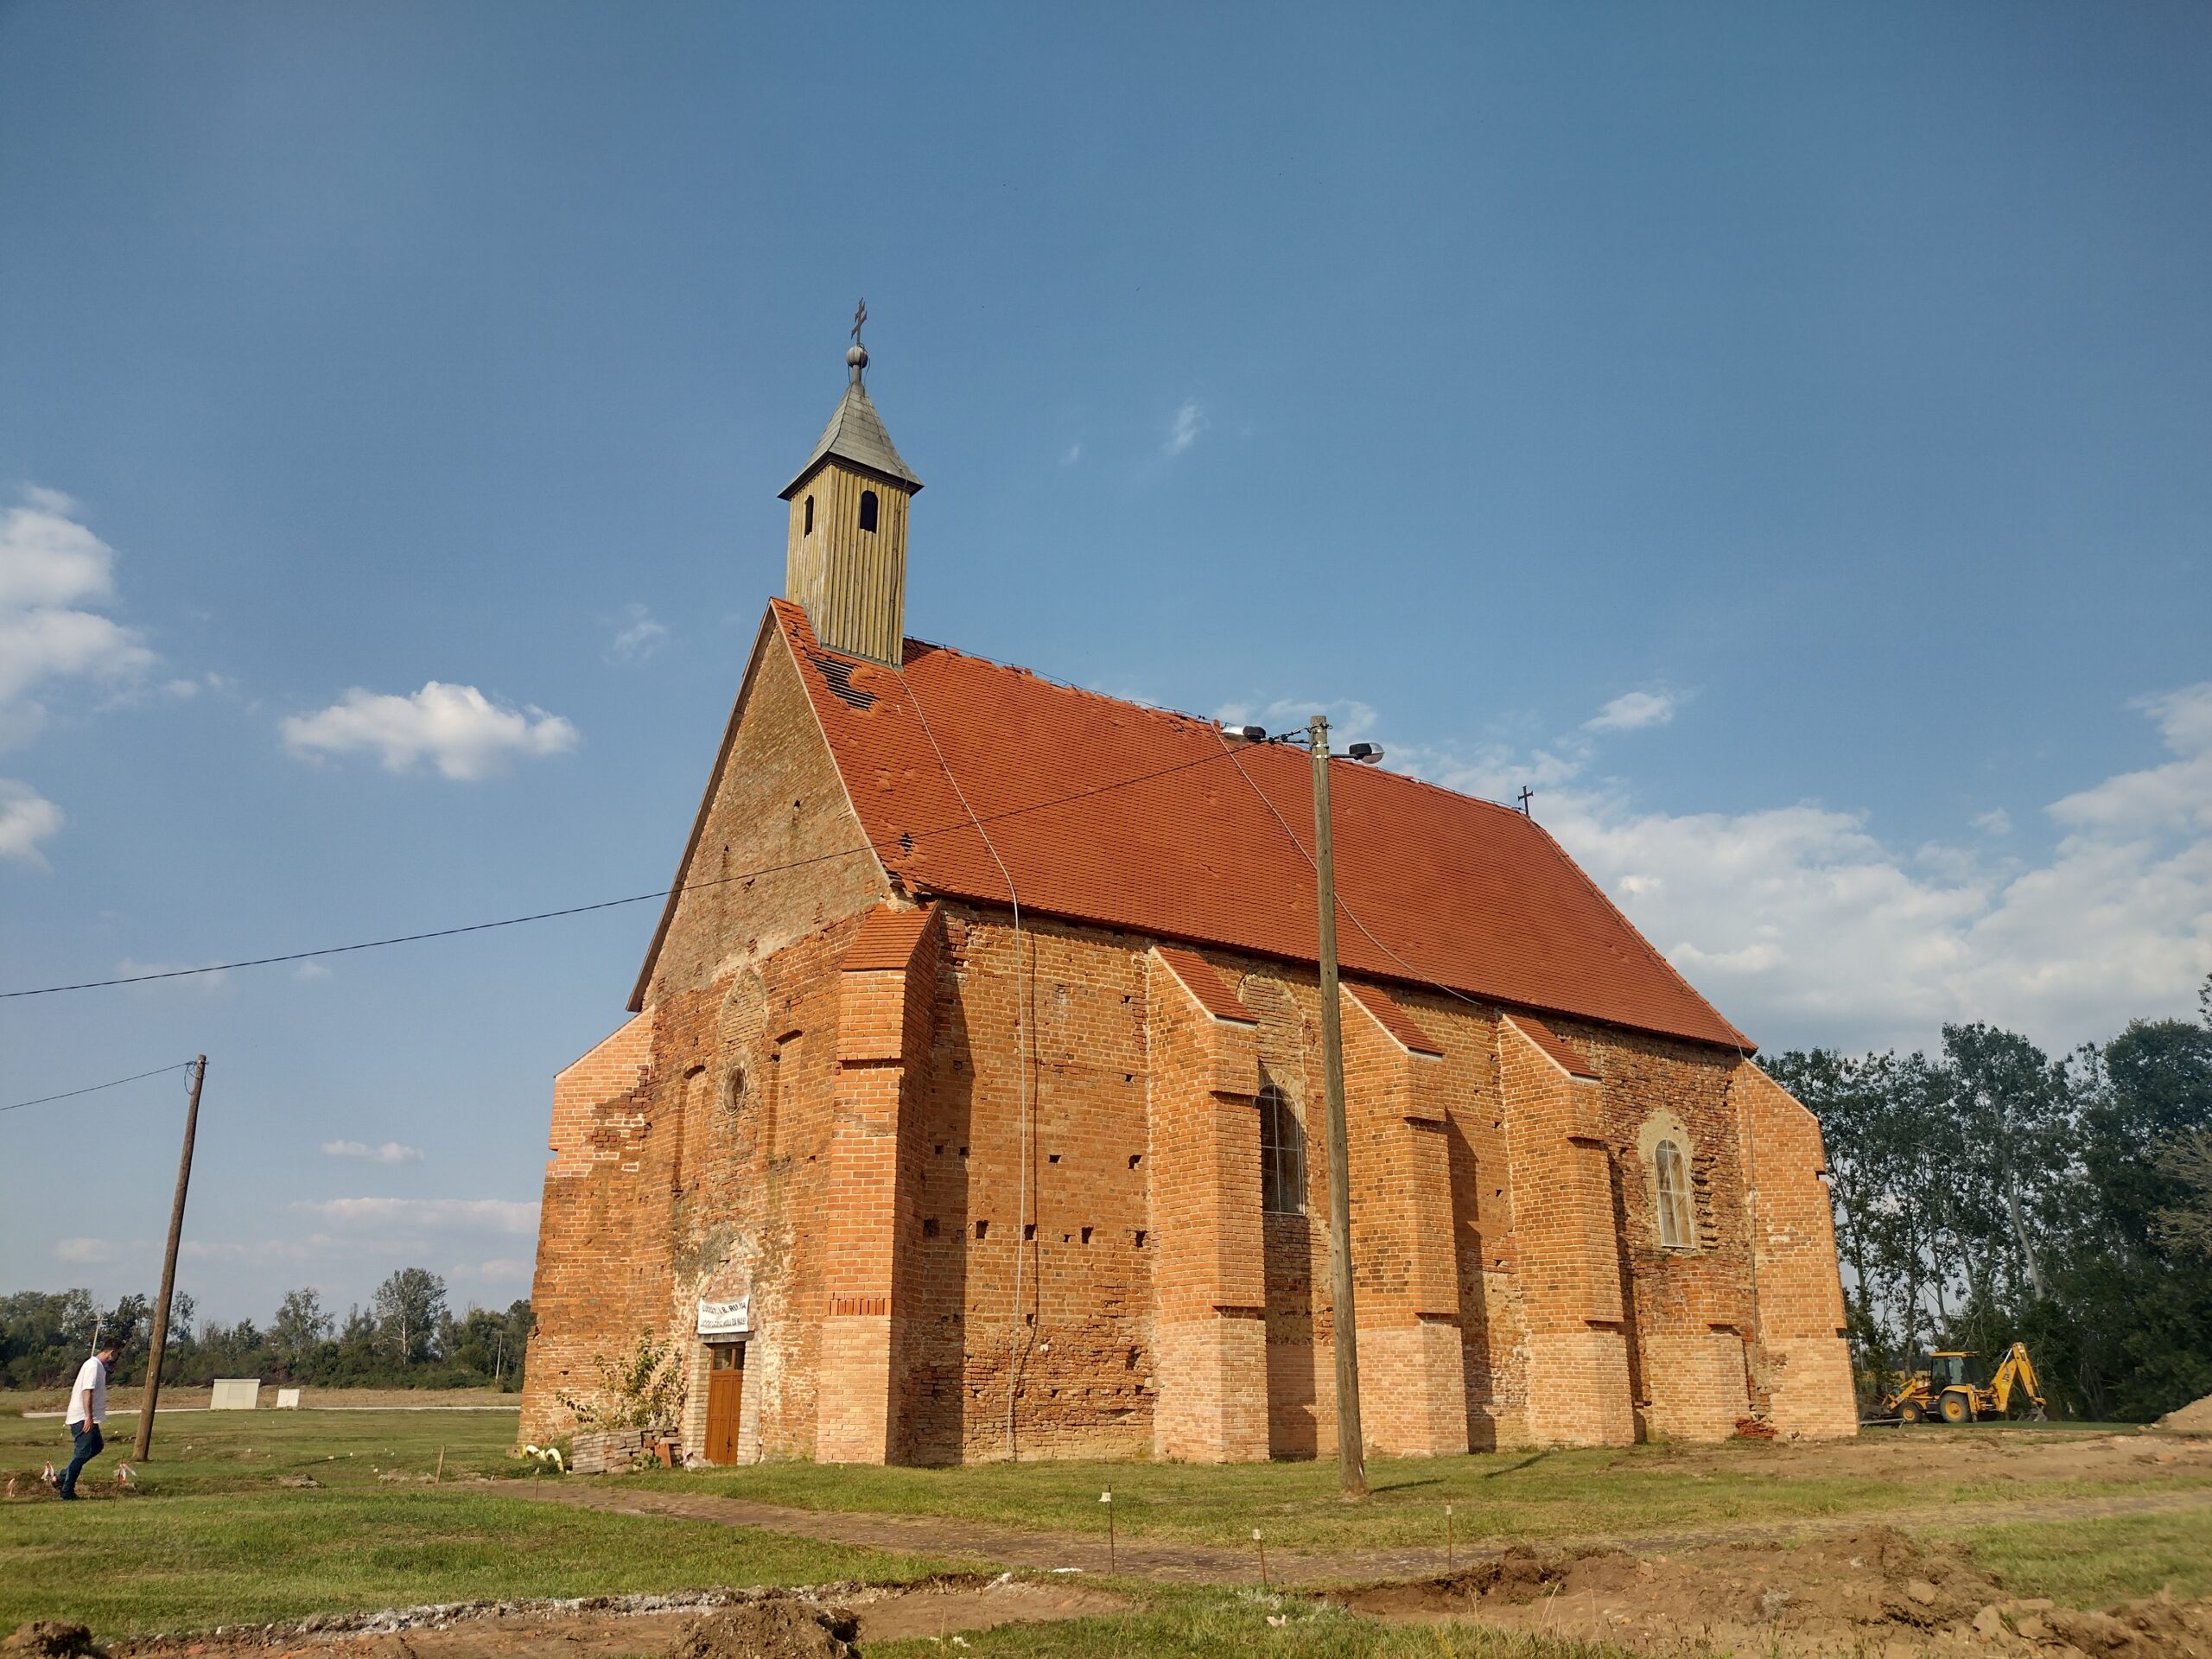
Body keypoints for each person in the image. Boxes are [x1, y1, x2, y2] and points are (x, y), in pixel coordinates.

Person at [58, 1338, 119, 1500]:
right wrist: (88, 1417)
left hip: (88, 1417)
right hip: (82, 1417)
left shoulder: (99, 1367)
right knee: (82, 1452)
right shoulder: (93, 1366)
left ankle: (62, 1477)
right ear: (111, 1353)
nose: (118, 1358)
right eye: (118, 1354)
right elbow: (87, 1392)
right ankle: (66, 1491)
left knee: (97, 1446)